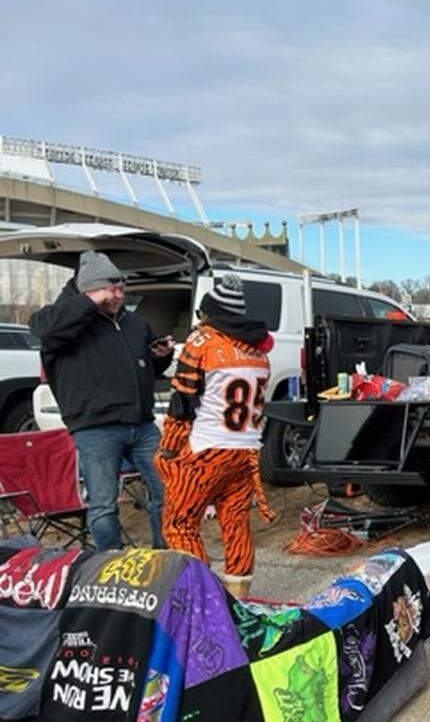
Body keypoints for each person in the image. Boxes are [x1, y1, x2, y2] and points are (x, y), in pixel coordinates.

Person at [29, 250, 173, 550]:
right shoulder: (63, 322)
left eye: (121, 289)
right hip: (96, 428)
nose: (119, 296)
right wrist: (89, 303)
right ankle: (111, 564)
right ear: (89, 290)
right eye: (110, 290)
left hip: (142, 425)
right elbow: (42, 329)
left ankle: (165, 556)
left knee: (169, 488)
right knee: (104, 504)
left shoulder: (134, 323)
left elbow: (144, 368)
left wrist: (160, 356)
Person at [155, 274, 275, 599]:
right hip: (246, 452)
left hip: (208, 449)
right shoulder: (259, 352)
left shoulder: (202, 342)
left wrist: (168, 449)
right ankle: (238, 598)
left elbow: (181, 401)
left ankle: (203, 599)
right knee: (235, 524)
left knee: (179, 524)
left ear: (209, 315)